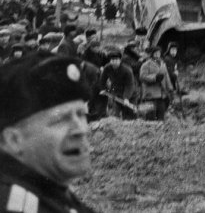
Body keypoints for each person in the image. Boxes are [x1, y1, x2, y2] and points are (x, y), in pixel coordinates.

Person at [0, 52, 97, 213]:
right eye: (61, 119)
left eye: (81, 114)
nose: (81, 129)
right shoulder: (15, 205)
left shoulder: (49, 190)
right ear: (13, 140)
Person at [100, 50, 137, 119]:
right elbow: (102, 79)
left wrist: (126, 98)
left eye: (116, 60)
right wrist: (103, 89)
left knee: (129, 116)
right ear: (110, 61)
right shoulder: (107, 68)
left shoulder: (127, 70)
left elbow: (129, 85)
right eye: (112, 60)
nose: (114, 62)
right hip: (116, 93)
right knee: (115, 114)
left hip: (130, 94)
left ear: (120, 60)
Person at [140, 46, 173, 121]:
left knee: (161, 114)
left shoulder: (162, 64)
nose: (157, 55)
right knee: (150, 116)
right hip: (150, 94)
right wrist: (155, 77)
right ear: (152, 54)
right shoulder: (146, 65)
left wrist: (170, 88)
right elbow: (142, 77)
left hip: (161, 94)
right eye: (155, 53)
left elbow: (166, 76)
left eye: (159, 53)